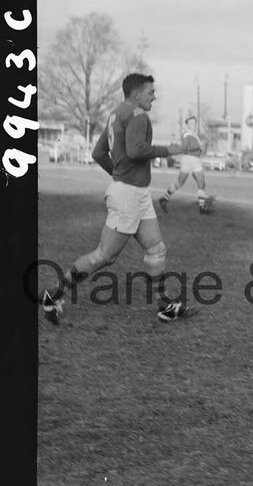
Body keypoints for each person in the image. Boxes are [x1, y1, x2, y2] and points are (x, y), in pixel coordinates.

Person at [41, 73, 188, 325]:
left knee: (156, 249)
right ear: (136, 93)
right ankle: (53, 295)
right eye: (150, 92)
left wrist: (118, 173)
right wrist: (170, 149)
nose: (154, 97)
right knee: (103, 256)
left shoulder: (115, 114)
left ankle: (165, 306)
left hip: (135, 194)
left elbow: (98, 153)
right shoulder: (138, 115)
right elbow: (135, 150)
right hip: (128, 196)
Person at [159, 116, 213, 214]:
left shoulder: (195, 135)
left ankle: (201, 207)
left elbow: (200, 148)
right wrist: (197, 147)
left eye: (195, 123)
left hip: (196, 160)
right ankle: (164, 198)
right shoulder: (186, 134)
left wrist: (203, 146)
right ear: (187, 124)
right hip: (188, 159)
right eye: (191, 123)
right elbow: (184, 148)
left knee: (201, 182)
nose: (193, 125)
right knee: (180, 182)